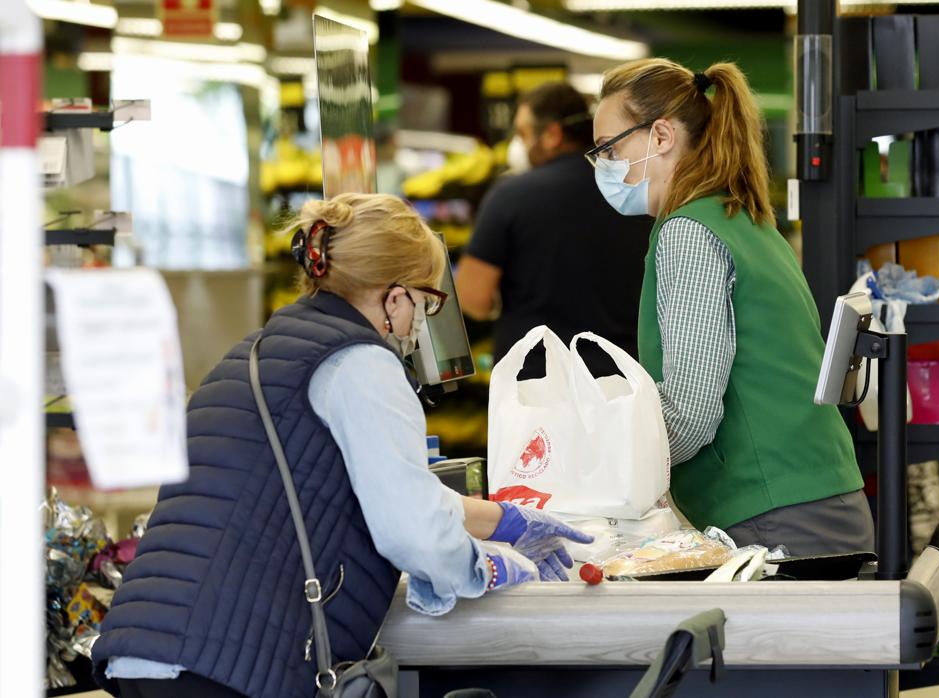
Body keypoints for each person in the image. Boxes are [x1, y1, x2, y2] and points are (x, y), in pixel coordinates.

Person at [91, 193, 591, 698]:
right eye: (428, 301)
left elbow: (381, 488)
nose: (423, 320)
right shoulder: (363, 363)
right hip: (225, 664)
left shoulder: (259, 350)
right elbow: (412, 532)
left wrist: (502, 520)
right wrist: (486, 567)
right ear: (395, 298)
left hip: (148, 647)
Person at [588, 59, 872, 558]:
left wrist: (605, 475)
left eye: (610, 149)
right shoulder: (746, 220)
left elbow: (691, 412)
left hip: (773, 516)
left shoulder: (689, 234)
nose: (604, 166)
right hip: (816, 498)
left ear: (660, 136)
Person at [456, 81, 651, 367]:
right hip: (620, 378)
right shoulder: (633, 194)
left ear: (552, 135)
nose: (519, 144)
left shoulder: (510, 196)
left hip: (535, 381)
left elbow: (473, 297)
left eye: (522, 133)